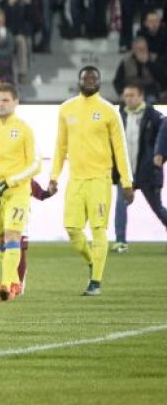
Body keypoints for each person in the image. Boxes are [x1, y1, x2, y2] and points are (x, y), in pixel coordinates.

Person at [47, 66, 134, 296]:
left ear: (99, 82)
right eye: (86, 78)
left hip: (100, 180)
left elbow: (120, 149)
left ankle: (95, 282)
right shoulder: (67, 109)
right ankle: (93, 262)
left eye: (93, 78)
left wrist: (127, 182)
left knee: (98, 229)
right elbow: (60, 146)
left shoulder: (108, 111)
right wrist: (54, 176)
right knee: (73, 230)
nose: (89, 81)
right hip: (75, 180)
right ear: (79, 81)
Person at [0, 84, 40, 300]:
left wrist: (11, 181)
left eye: (5, 100)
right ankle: (14, 280)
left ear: (16, 102)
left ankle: (6, 285)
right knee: (0, 241)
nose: (0, 104)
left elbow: (36, 164)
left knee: (12, 234)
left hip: (17, 192)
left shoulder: (24, 129)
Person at [113, 84, 167, 252]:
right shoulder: (119, 116)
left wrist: (160, 154)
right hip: (126, 172)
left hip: (147, 172)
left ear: (141, 96)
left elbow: (165, 133)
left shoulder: (153, 116)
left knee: (157, 208)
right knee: (120, 206)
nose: (129, 98)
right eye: (126, 95)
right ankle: (121, 241)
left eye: (132, 95)